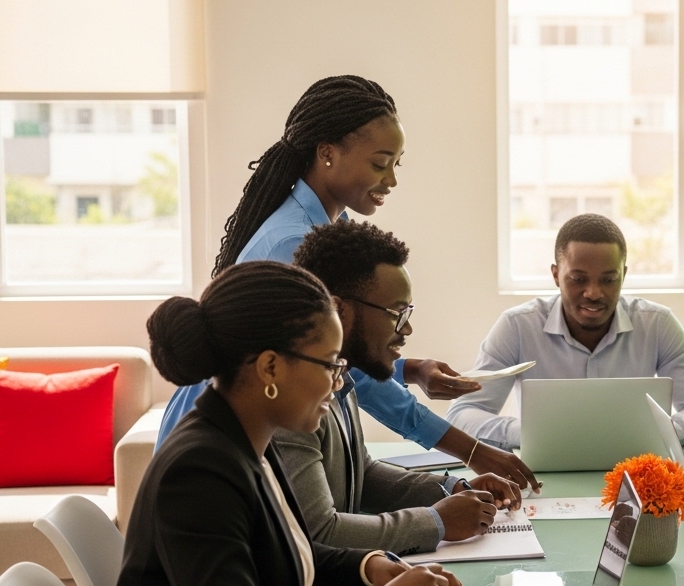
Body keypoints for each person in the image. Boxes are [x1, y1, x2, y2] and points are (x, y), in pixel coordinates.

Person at [70, 261, 470, 586]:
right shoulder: (199, 471)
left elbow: (285, 548)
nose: (337, 383)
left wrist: (371, 566)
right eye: (329, 365)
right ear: (270, 368)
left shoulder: (242, 439)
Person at [154, 74, 538, 489]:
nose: (390, 180)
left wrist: (411, 369)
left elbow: (335, 356)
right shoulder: (295, 242)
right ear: (327, 153)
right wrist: (471, 450)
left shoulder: (332, 223)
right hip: (219, 449)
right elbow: (336, 372)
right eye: (379, 162)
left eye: (395, 164)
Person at [275, 220, 520, 553]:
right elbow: (318, 533)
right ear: (339, 310)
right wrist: (436, 522)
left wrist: (452, 489)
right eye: (397, 313)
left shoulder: (342, 378)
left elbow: (362, 475)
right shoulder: (294, 399)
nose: (407, 330)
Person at [447, 213, 684, 447]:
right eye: (578, 279)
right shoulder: (517, 326)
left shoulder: (657, 324)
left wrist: (656, 432)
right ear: (556, 275)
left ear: (624, 275)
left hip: (635, 470)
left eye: (609, 280)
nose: (593, 293)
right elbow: (462, 413)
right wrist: (527, 433)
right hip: (543, 469)